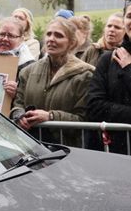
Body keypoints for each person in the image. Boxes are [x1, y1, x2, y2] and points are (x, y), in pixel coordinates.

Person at [10, 17, 95, 147]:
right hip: (30, 147)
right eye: (48, 34)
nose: (51, 39)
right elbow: (18, 104)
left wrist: (51, 116)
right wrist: (19, 115)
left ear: (71, 43)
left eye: (59, 35)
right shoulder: (27, 72)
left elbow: (84, 119)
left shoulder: (85, 75)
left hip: (67, 149)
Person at [86, 5, 131, 154]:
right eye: (130, 16)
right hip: (114, 149)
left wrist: (128, 71)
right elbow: (95, 106)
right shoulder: (108, 59)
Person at [0, 16, 36, 99]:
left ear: (21, 39)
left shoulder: (29, 67)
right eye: (2, 34)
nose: (5, 39)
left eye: (11, 36)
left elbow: (33, 99)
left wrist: (18, 94)